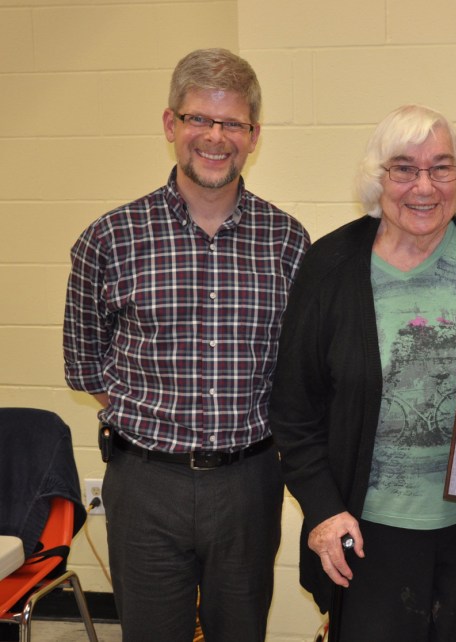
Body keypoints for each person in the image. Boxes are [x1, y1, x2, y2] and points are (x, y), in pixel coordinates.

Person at [269, 104, 456, 642]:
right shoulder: (329, 266)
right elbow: (294, 410)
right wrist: (325, 512)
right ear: (378, 179)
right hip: (371, 534)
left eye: (441, 167)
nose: (424, 186)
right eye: (404, 168)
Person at [63, 48, 309, 642]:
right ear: (172, 124)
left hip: (249, 484)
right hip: (145, 484)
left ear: (253, 136)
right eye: (200, 118)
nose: (215, 137)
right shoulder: (109, 239)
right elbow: (85, 368)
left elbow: (301, 371)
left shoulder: (289, 242)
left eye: (232, 124)